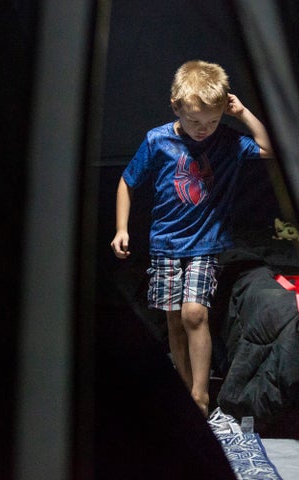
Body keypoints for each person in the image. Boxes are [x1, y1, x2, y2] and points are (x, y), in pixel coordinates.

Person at [110, 60, 273, 417]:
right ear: (176, 107)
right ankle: (183, 392)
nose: (204, 130)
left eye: (212, 121)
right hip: (166, 242)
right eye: (195, 122)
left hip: (204, 243)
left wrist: (242, 113)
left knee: (194, 314)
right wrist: (122, 228)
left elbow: (270, 148)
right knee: (173, 318)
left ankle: (200, 397)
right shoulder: (158, 140)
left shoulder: (228, 142)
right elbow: (127, 181)